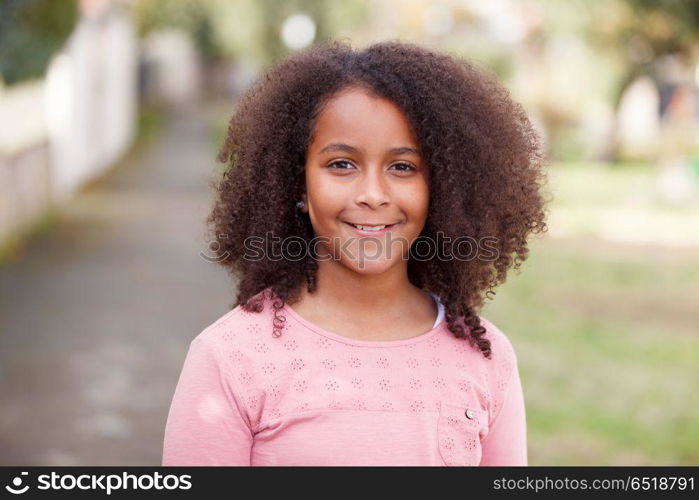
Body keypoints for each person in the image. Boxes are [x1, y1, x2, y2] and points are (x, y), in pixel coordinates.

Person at [162, 39, 548, 466]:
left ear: (445, 188)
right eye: (342, 164)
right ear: (298, 185)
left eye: (402, 167)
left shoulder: (484, 358)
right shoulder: (231, 358)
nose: (371, 195)